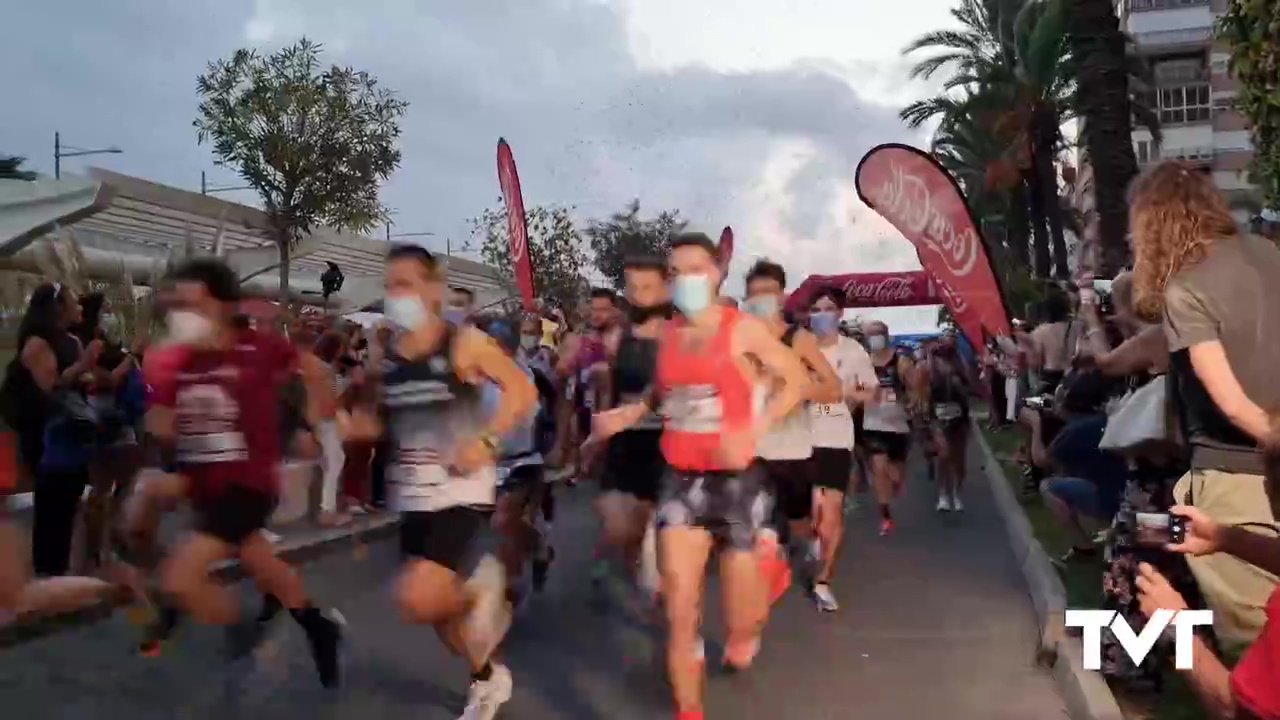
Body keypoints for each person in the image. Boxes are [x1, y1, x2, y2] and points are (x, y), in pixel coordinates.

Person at [593, 232, 812, 720]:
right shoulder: (668, 336)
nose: (686, 279)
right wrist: (624, 417)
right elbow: (658, 393)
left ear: (715, 274)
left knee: (740, 625)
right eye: (677, 272)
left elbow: (796, 380)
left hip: (737, 482)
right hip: (680, 478)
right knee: (679, 607)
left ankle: (753, 609)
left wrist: (755, 425)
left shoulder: (741, 330)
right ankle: (689, 707)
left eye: (696, 269)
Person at [342, 245, 536, 720]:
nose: (397, 295)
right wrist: (361, 429)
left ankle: (480, 590)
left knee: (416, 595)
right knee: (435, 615)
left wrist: (487, 442)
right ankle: (488, 678)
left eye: (406, 284)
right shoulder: (389, 361)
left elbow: (522, 390)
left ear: (433, 289)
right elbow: (385, 423)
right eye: (391, 285)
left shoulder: (462, 342)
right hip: (414, 497)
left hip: (461, 490)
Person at [147, 258, 345, 687]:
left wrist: (308, 421)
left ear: (222, 305)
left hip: (248, 486)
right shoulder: (184, 360)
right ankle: (317, 627)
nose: (182, 313)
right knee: (263, 563)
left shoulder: (260, 347)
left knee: (179, 579)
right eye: (178, 303)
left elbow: (315, 372)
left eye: (192, 303)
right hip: (207, 486)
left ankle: (237, 628)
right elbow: (164, 420)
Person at [1130, 161, 1280, 647]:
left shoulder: (1186, 289)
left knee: (1259, 649)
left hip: (1236, 479)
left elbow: (1231, 403)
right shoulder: (1268, 252)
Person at [742, 260, 841, 597]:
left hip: (793, 448)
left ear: (782, 296)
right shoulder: (739, 340)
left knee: (797, 522)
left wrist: (798, 388)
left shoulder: (798, 339)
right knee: (754, 522)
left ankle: (806, 540)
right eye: (753, 294)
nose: (761, 300)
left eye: (768, 293)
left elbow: (834, 388)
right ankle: (767, 564)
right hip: (751, 448)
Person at [0, 283, 100, 577]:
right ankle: (47, 574)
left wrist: (87, 371)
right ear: (58, 308)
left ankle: (60, 572)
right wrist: (83, 364)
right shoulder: (37, 344)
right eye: (73, 302)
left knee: (69, 498)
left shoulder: (71, 340)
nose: (80, 307)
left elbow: (78, 383)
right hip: (45, 436)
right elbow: (52, 388)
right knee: (52, 505)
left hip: (69, 433)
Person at [590, 257, 672, 600]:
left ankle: (654, 582)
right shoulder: (616, 339)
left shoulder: (678, 333)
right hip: (626, 441)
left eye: (647, 286)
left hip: (668, 442)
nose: (639, 294)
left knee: (661, 524)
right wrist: (595, 440)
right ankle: (627, 563)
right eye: (633, 286)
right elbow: (608, 396)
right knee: (620, 526)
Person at [805, 287, 875, 611]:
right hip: (799, 439)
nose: (822, 315)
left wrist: (846, 391)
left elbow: (870, 389)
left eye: (828, 308)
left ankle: (823, 581)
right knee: (812, 513)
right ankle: (812, 539)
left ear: (840, 313)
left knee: (830, 513)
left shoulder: (854, 350)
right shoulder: (798, 348)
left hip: (834, 438)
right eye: (816, 309)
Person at [860, 320, 917, 535]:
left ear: (886, 335)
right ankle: (885, 517)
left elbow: (914, 389)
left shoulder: (901, 361)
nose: (874, 338)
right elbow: (856, 387)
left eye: (878, 333)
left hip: (898, 423)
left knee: (895, 473)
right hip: (873, 422)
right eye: (870, 334)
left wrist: (912, 401)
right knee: (878, 467)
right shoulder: (863, 362)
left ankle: (897, 481)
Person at [919, 330, 973, 511]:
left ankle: (957, 493)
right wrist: (929, 355)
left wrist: (959, 381)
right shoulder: (930, 363)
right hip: (938, 415)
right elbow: (926, 384)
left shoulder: (960, 362)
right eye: (946, 340)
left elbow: (969, 385)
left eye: (953, 340)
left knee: (958, 458)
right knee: (944, 455)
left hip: (959, 414)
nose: (949, 344)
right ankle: (943, 494)